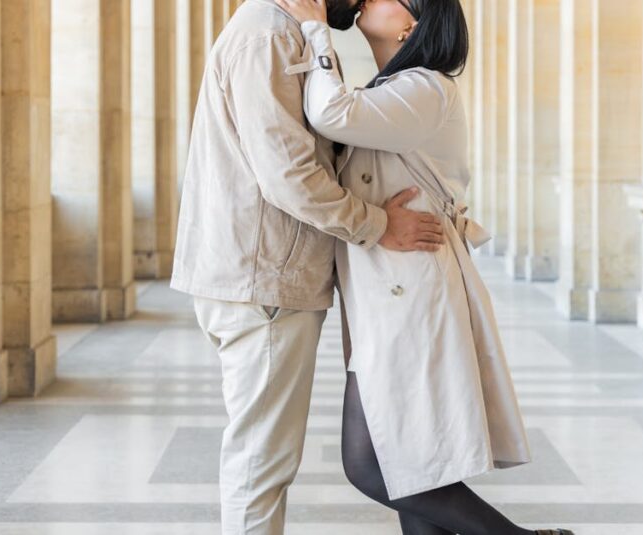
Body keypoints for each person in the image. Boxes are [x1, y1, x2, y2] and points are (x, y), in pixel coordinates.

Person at [269, 0, 577, 534]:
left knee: (373, 465)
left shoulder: (427, 87)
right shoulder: (391, 91)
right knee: (416, 462)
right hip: (392, 286)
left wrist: (315, 30)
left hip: (411, 288)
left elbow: (330, 115)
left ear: (412, 23)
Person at [170, 0, 449, 533]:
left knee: (261, 457)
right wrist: (377, 224)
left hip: (262, 272)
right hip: (264, 275)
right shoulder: (270, 34)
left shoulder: (281, 30)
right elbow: (289, 175)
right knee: (261, 463)